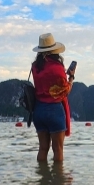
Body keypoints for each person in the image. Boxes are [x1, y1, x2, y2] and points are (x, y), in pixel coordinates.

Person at [31, 33, 74, 162]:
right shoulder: (57, 68)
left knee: (43, 148)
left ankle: (41, 174)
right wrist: (71, 77)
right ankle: (57, 175)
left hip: (38, 110)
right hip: (54, 110)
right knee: (58, 149)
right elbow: (65, 90)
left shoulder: (35, 67)